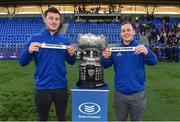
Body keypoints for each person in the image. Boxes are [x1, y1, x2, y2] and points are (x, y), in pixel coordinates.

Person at [18, 7, 76, 121]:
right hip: (42, 88)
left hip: (61, 87)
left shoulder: (64, 40)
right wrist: (28, 51)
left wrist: (72, 53)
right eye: (51, 18)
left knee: (62, 118)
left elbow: (72, 62)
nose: (54, 21)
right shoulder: (35, 38)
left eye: (57, 19)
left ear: (60, 21)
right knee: (42, 118)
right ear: (45, 19)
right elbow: (22, 62)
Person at [101, 21, 158, 121]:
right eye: (123, 31)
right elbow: (105, 65)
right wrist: (105, 57)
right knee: (120, 120)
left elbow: (153, 61)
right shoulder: (115, 49)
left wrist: (147, 52)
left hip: (138, 94)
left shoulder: (140, 48)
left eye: (128, 30)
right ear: (120, 33)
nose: (126, 33)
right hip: (120, 94)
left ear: (133, 32)